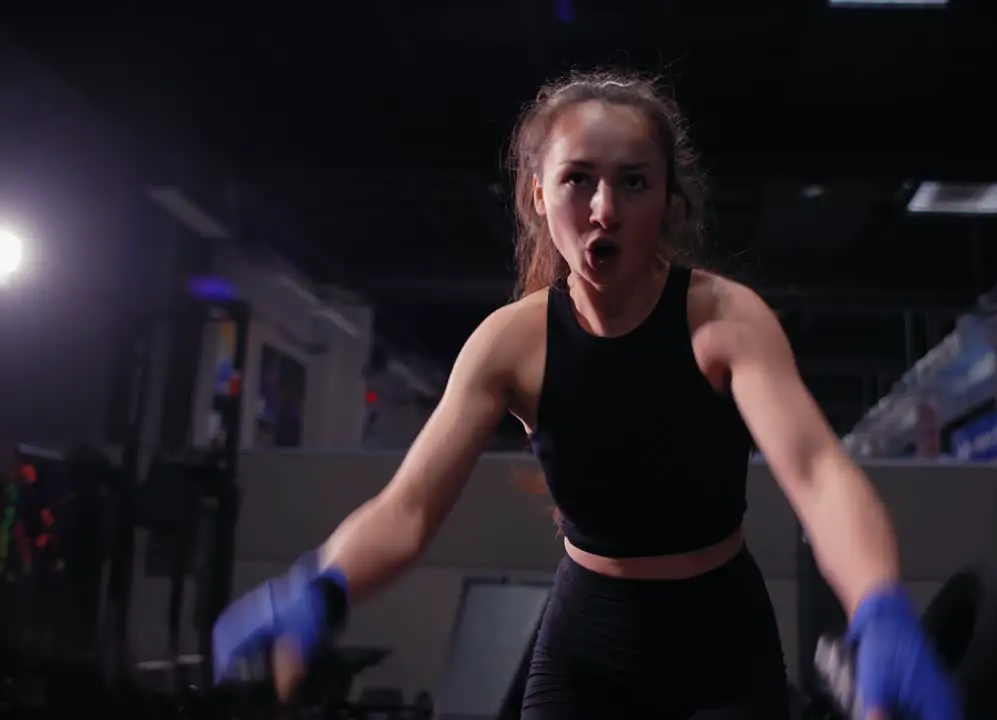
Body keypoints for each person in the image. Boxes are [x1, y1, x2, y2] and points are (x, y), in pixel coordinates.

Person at [212, 69, 958, 719]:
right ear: (539, 195)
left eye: (634, 181)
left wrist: (880, 603)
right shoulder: (511, 344)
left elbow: (819, 475)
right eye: (579, 179)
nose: (605, 209)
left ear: (665, 199)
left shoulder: (725, 322)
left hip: (723, 645)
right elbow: (407, 508)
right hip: (587, 648)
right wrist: (321, 586)